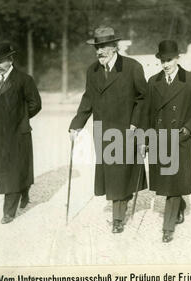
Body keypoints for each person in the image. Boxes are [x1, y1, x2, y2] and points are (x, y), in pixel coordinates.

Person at [69, 26, 147, 233]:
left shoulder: (132, 67)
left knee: (119, 174)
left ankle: (117, 219)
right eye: (97, 47)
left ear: (114, 47)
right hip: (102, 131)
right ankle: (122, 204)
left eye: (103, 46)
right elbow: (88, 99)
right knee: (116, 175)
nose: (99, 51)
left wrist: (135, 124)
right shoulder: (93, 70)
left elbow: (143, 98)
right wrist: (76, 124)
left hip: (125, 129)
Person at [146, 40, 191, 243]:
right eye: (162, 60)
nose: (165, 64)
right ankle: (179, 205)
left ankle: (168, 226)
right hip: (158, 138)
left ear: (177, 58)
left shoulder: (190, 81)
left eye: (169, 60)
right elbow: (146, 112)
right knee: (165, 181)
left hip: (179, 138)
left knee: (173, 183)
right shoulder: (153, 81)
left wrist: (189, 129)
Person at [0, 41, 41, 224]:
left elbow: (36, 104)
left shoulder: (24, 80)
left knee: (12, 170)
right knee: (3, 169)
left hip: (17, 133)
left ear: (10, 60)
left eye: (0, 61)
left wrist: (22, 118)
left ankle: (8, 212)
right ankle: (24, 189)